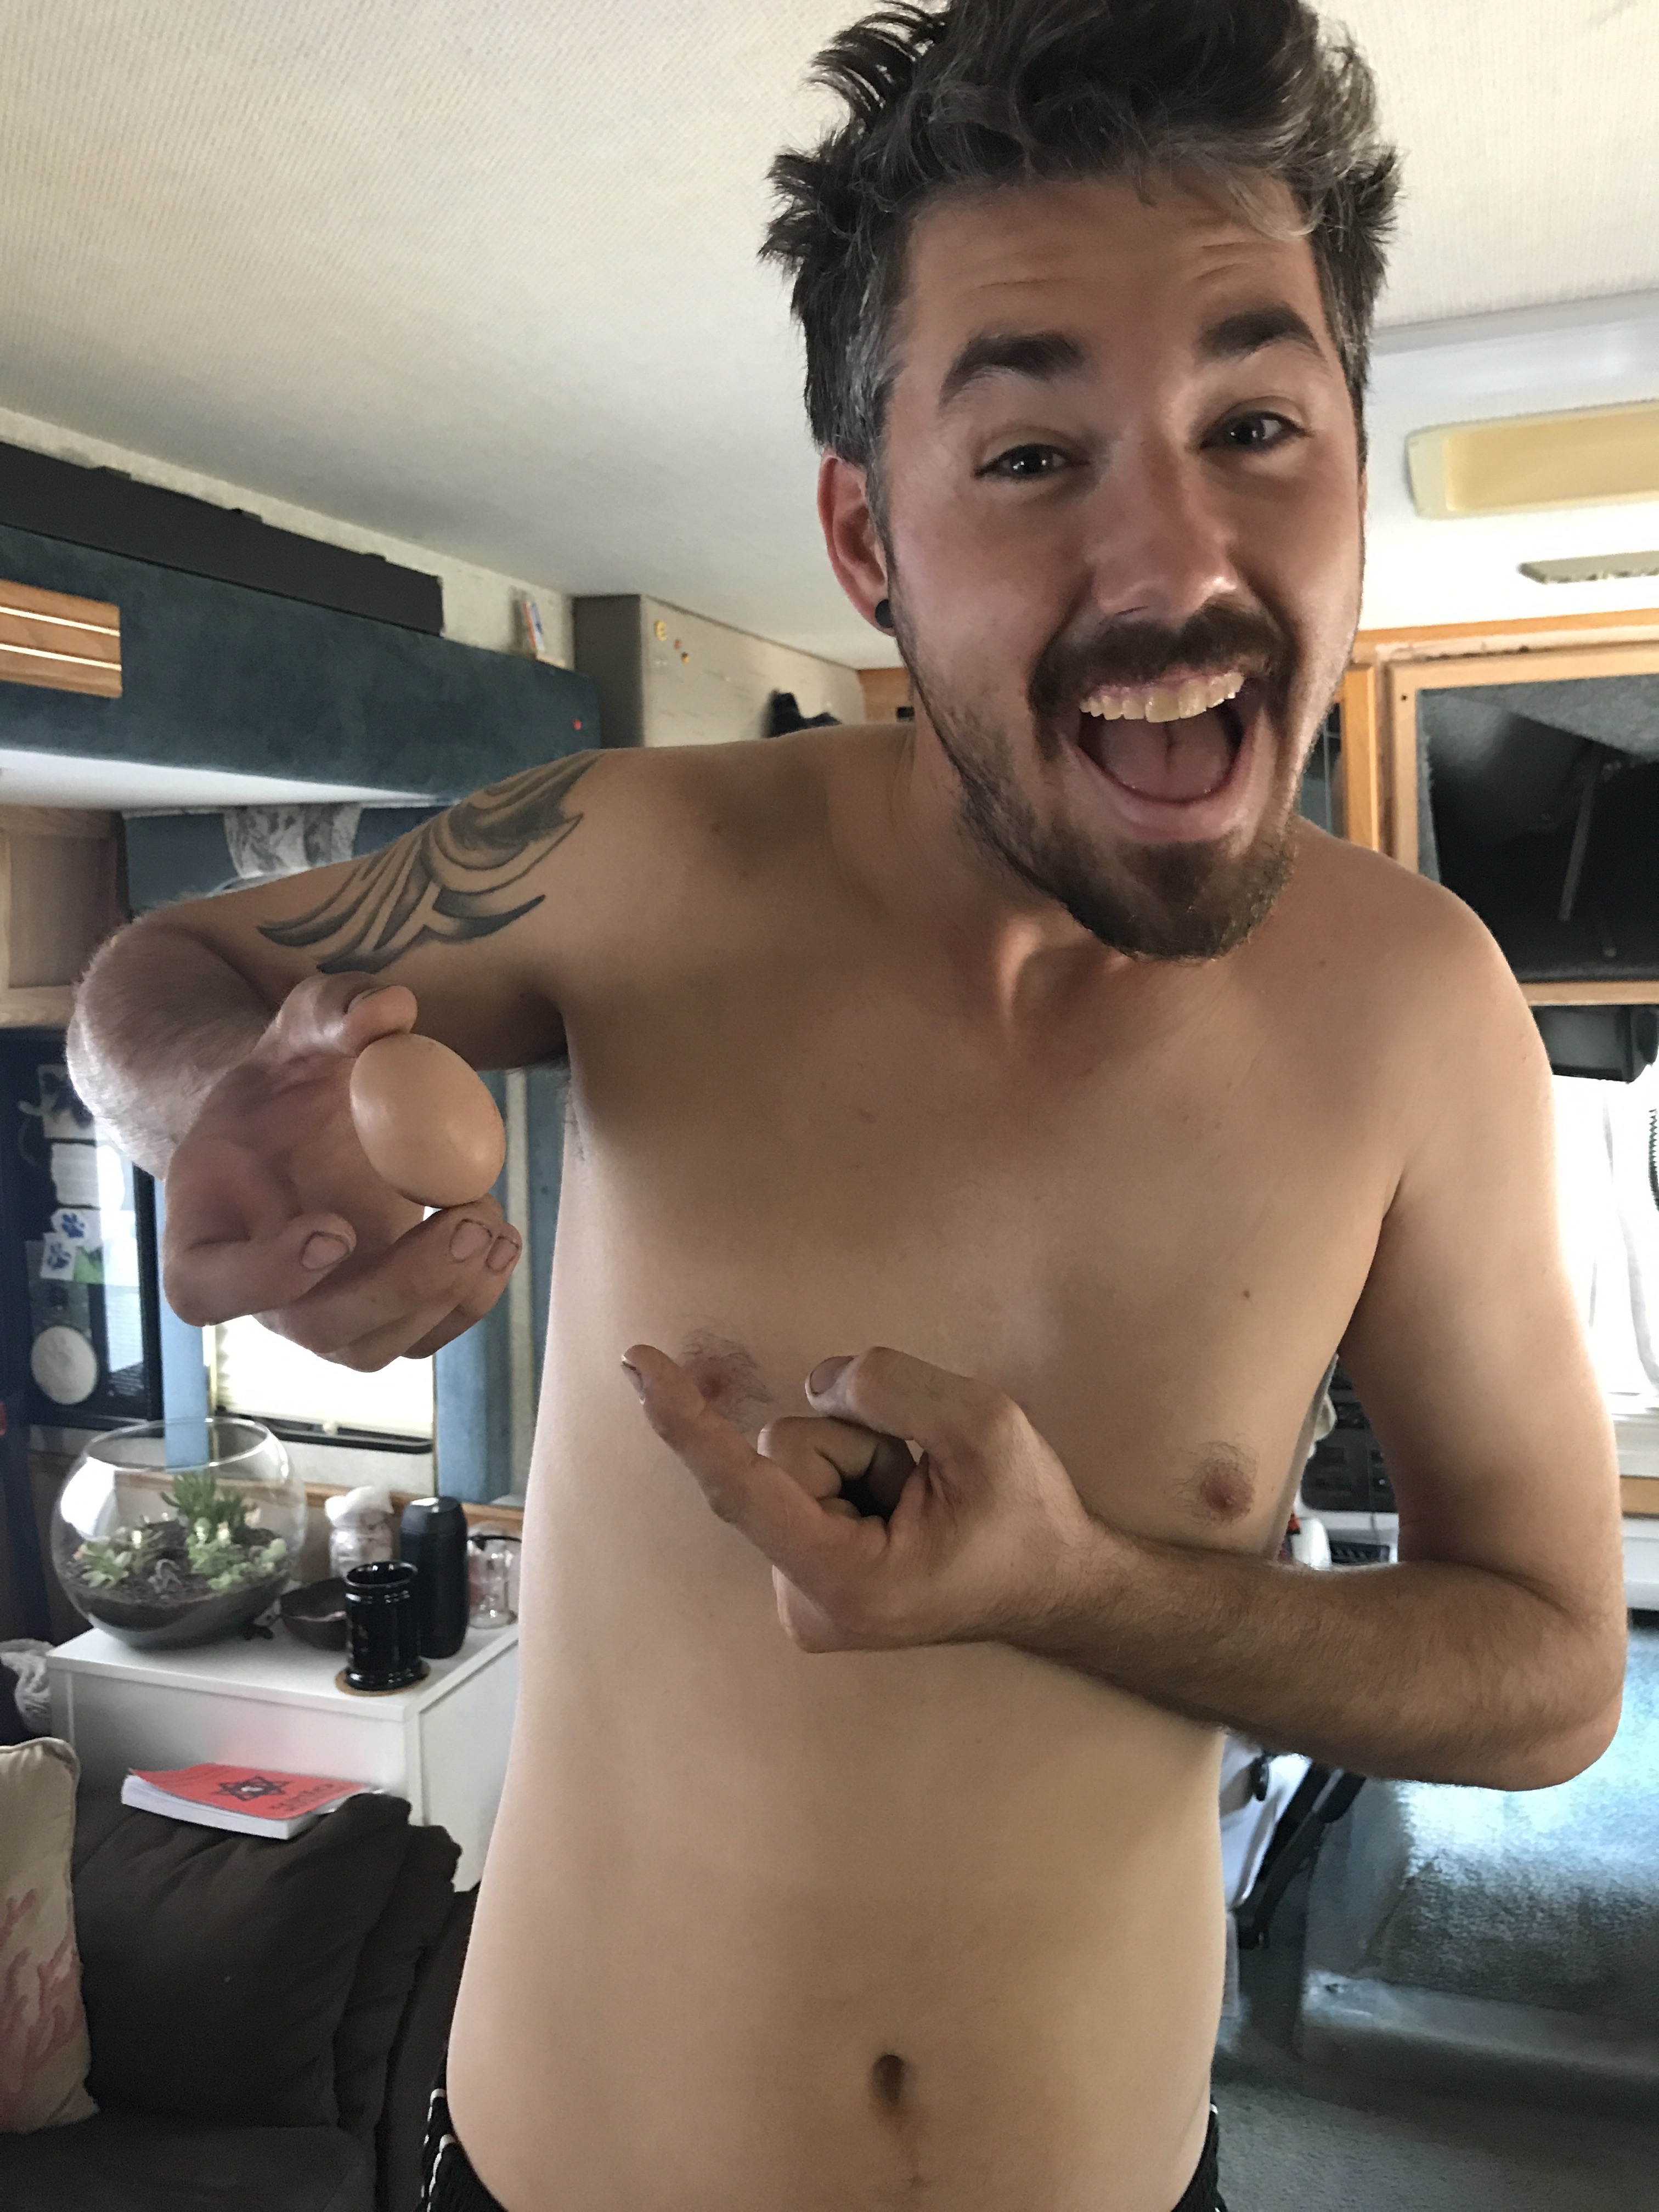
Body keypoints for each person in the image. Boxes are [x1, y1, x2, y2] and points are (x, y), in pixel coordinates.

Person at [68, 2, 1628, 2207]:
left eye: (1259, 423)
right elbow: (160, 976)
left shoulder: (1421, 1015)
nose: (1175, 561)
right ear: (865, 534)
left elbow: (1555, 1671)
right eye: (1032, 456)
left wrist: (1079, 1586)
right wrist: (206, 1109)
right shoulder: (636, 865)